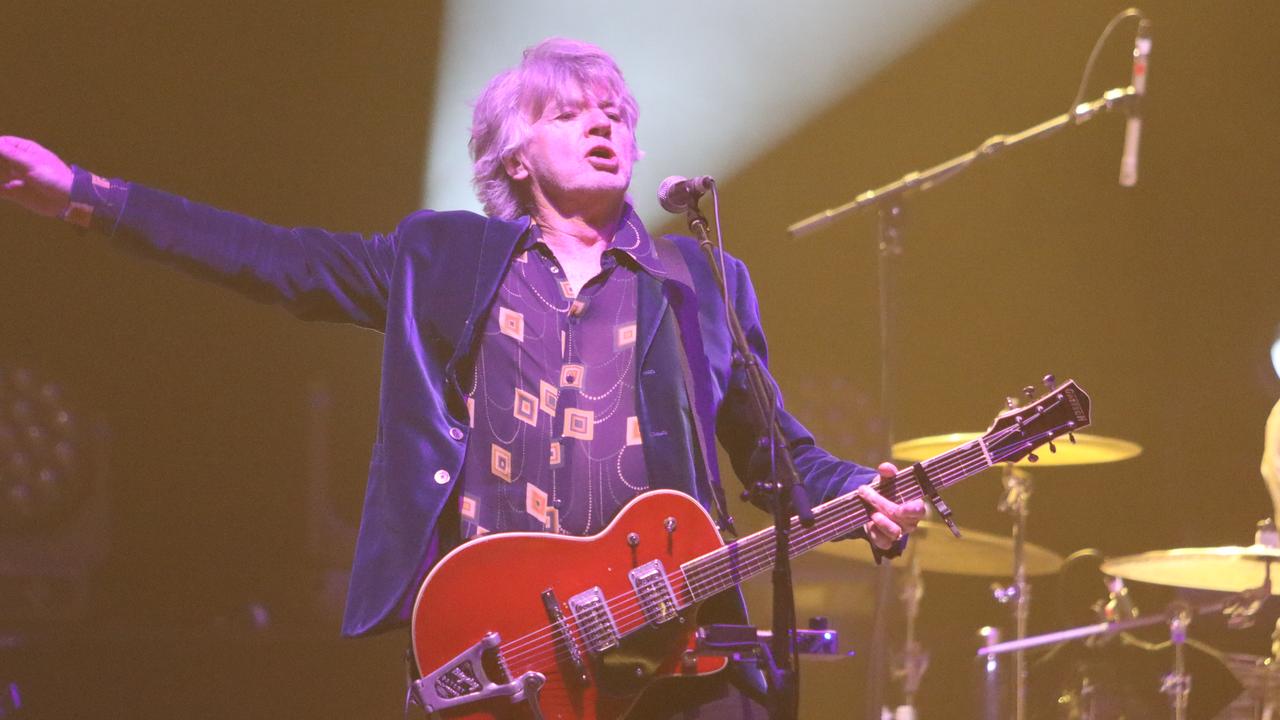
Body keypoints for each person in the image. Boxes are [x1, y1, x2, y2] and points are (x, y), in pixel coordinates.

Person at [0, 38, 923, 718]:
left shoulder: (701, 280)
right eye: (569, 111)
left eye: (617, 113)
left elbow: (777, 456)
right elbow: (273, 259)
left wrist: (868, 496)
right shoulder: (440, 258)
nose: (604, 121)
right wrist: (87, 196)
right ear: (514, 157)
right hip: (504, 639)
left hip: (673, 643)